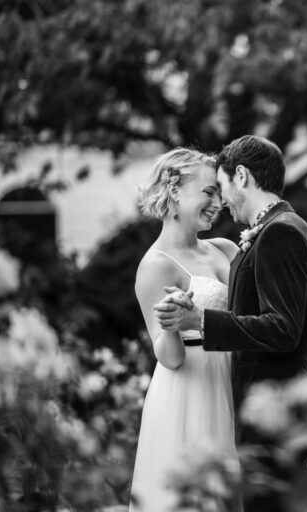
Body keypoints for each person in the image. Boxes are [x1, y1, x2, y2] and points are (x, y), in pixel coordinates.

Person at [153, 135, 307, 511]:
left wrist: (200, 319)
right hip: (269, 407)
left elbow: (282, 328)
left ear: (241, 176)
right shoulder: (280, 228)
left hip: (276, 409)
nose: (222, 200)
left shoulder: (280, 233)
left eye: (223, 185)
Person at [128, 148, 241, 512]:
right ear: (174, 189)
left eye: (219, 193)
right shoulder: (155, 265)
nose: (217, 203)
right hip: (190, 387)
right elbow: (169, 358)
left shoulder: (225, 249)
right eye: (208, 192)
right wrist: (173, 327)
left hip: (233, 377)